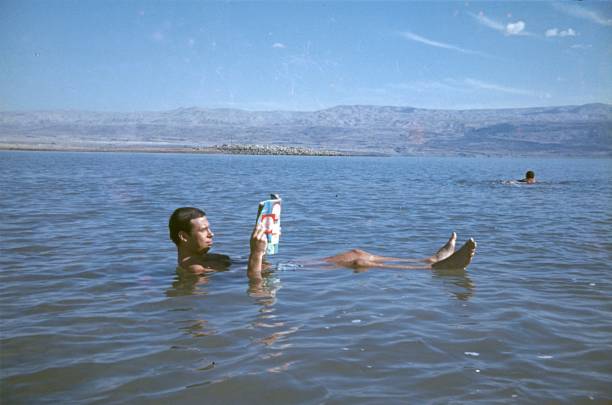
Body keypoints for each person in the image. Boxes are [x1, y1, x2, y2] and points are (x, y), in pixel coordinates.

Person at [169, 207, 477, 281]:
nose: (212, 234)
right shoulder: (193, 268)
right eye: (204, 230)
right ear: (184, 237)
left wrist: (266, 245)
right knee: (357, 261)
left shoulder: (208, 257)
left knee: (357, 253)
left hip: (280, 267)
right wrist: (256, 253)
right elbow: (254, 284)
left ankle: (429, 261)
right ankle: (436, 268)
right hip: (287, 276)